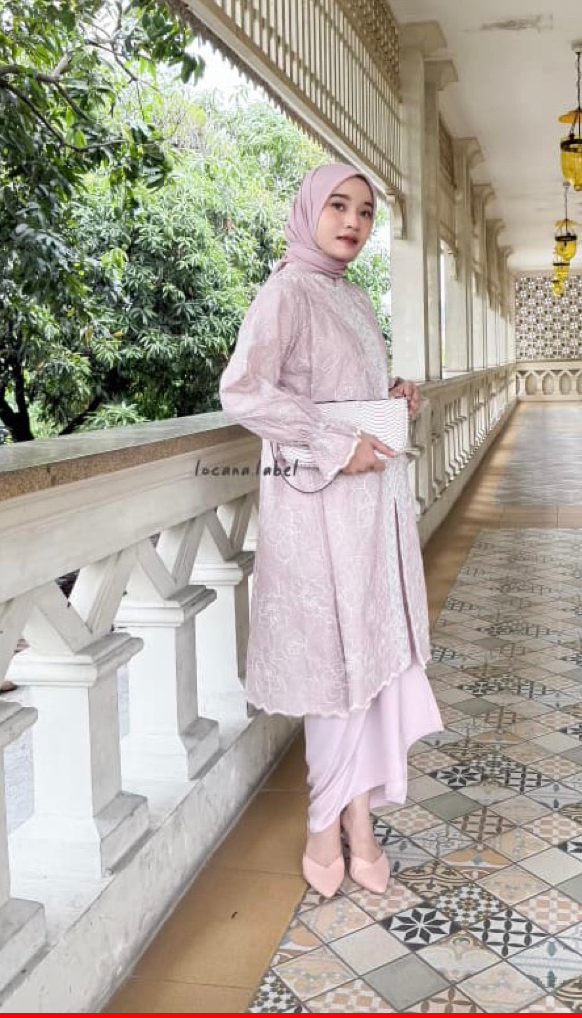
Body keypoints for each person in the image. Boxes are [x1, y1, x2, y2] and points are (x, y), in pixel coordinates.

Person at [219, 163, 443, 898]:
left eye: (366, 212)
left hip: (369, 509)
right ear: (309, 211)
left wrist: (391, 394)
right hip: (315, 506)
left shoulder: (352, 295)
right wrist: (334, 443)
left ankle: (360, 821)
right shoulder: (286, 291)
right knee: (331, 667)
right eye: (339, 206)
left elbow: (338, 386)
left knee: (367, 662)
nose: (352, 222)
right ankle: (325, 823)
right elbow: (242, 390)